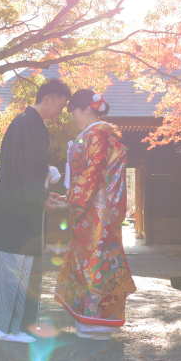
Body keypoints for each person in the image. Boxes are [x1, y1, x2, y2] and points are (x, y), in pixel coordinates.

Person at [0, 78, 72, 343]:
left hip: (20, 207)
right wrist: (40, 197)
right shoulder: (26, 123)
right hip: (14, 211)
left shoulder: (31, 123)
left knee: (22, 267)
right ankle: (5, 329)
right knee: (11, 266)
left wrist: (44, 193)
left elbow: (30, 167)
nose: (61, 111)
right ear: (47, 98)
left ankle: (18, 326)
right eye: (61, 105)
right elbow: (23, 166)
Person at [53, 89, 137, 341]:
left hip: (95, 211)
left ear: (88, 109)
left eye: (74, 112)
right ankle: (93, 322)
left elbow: (92, 173)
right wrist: (69, 197)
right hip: (96, 209)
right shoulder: (97, 135)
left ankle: (95, 322)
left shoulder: (97, 136)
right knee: (94, 260)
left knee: (94, 260)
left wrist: (71, 199)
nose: (73, 118)